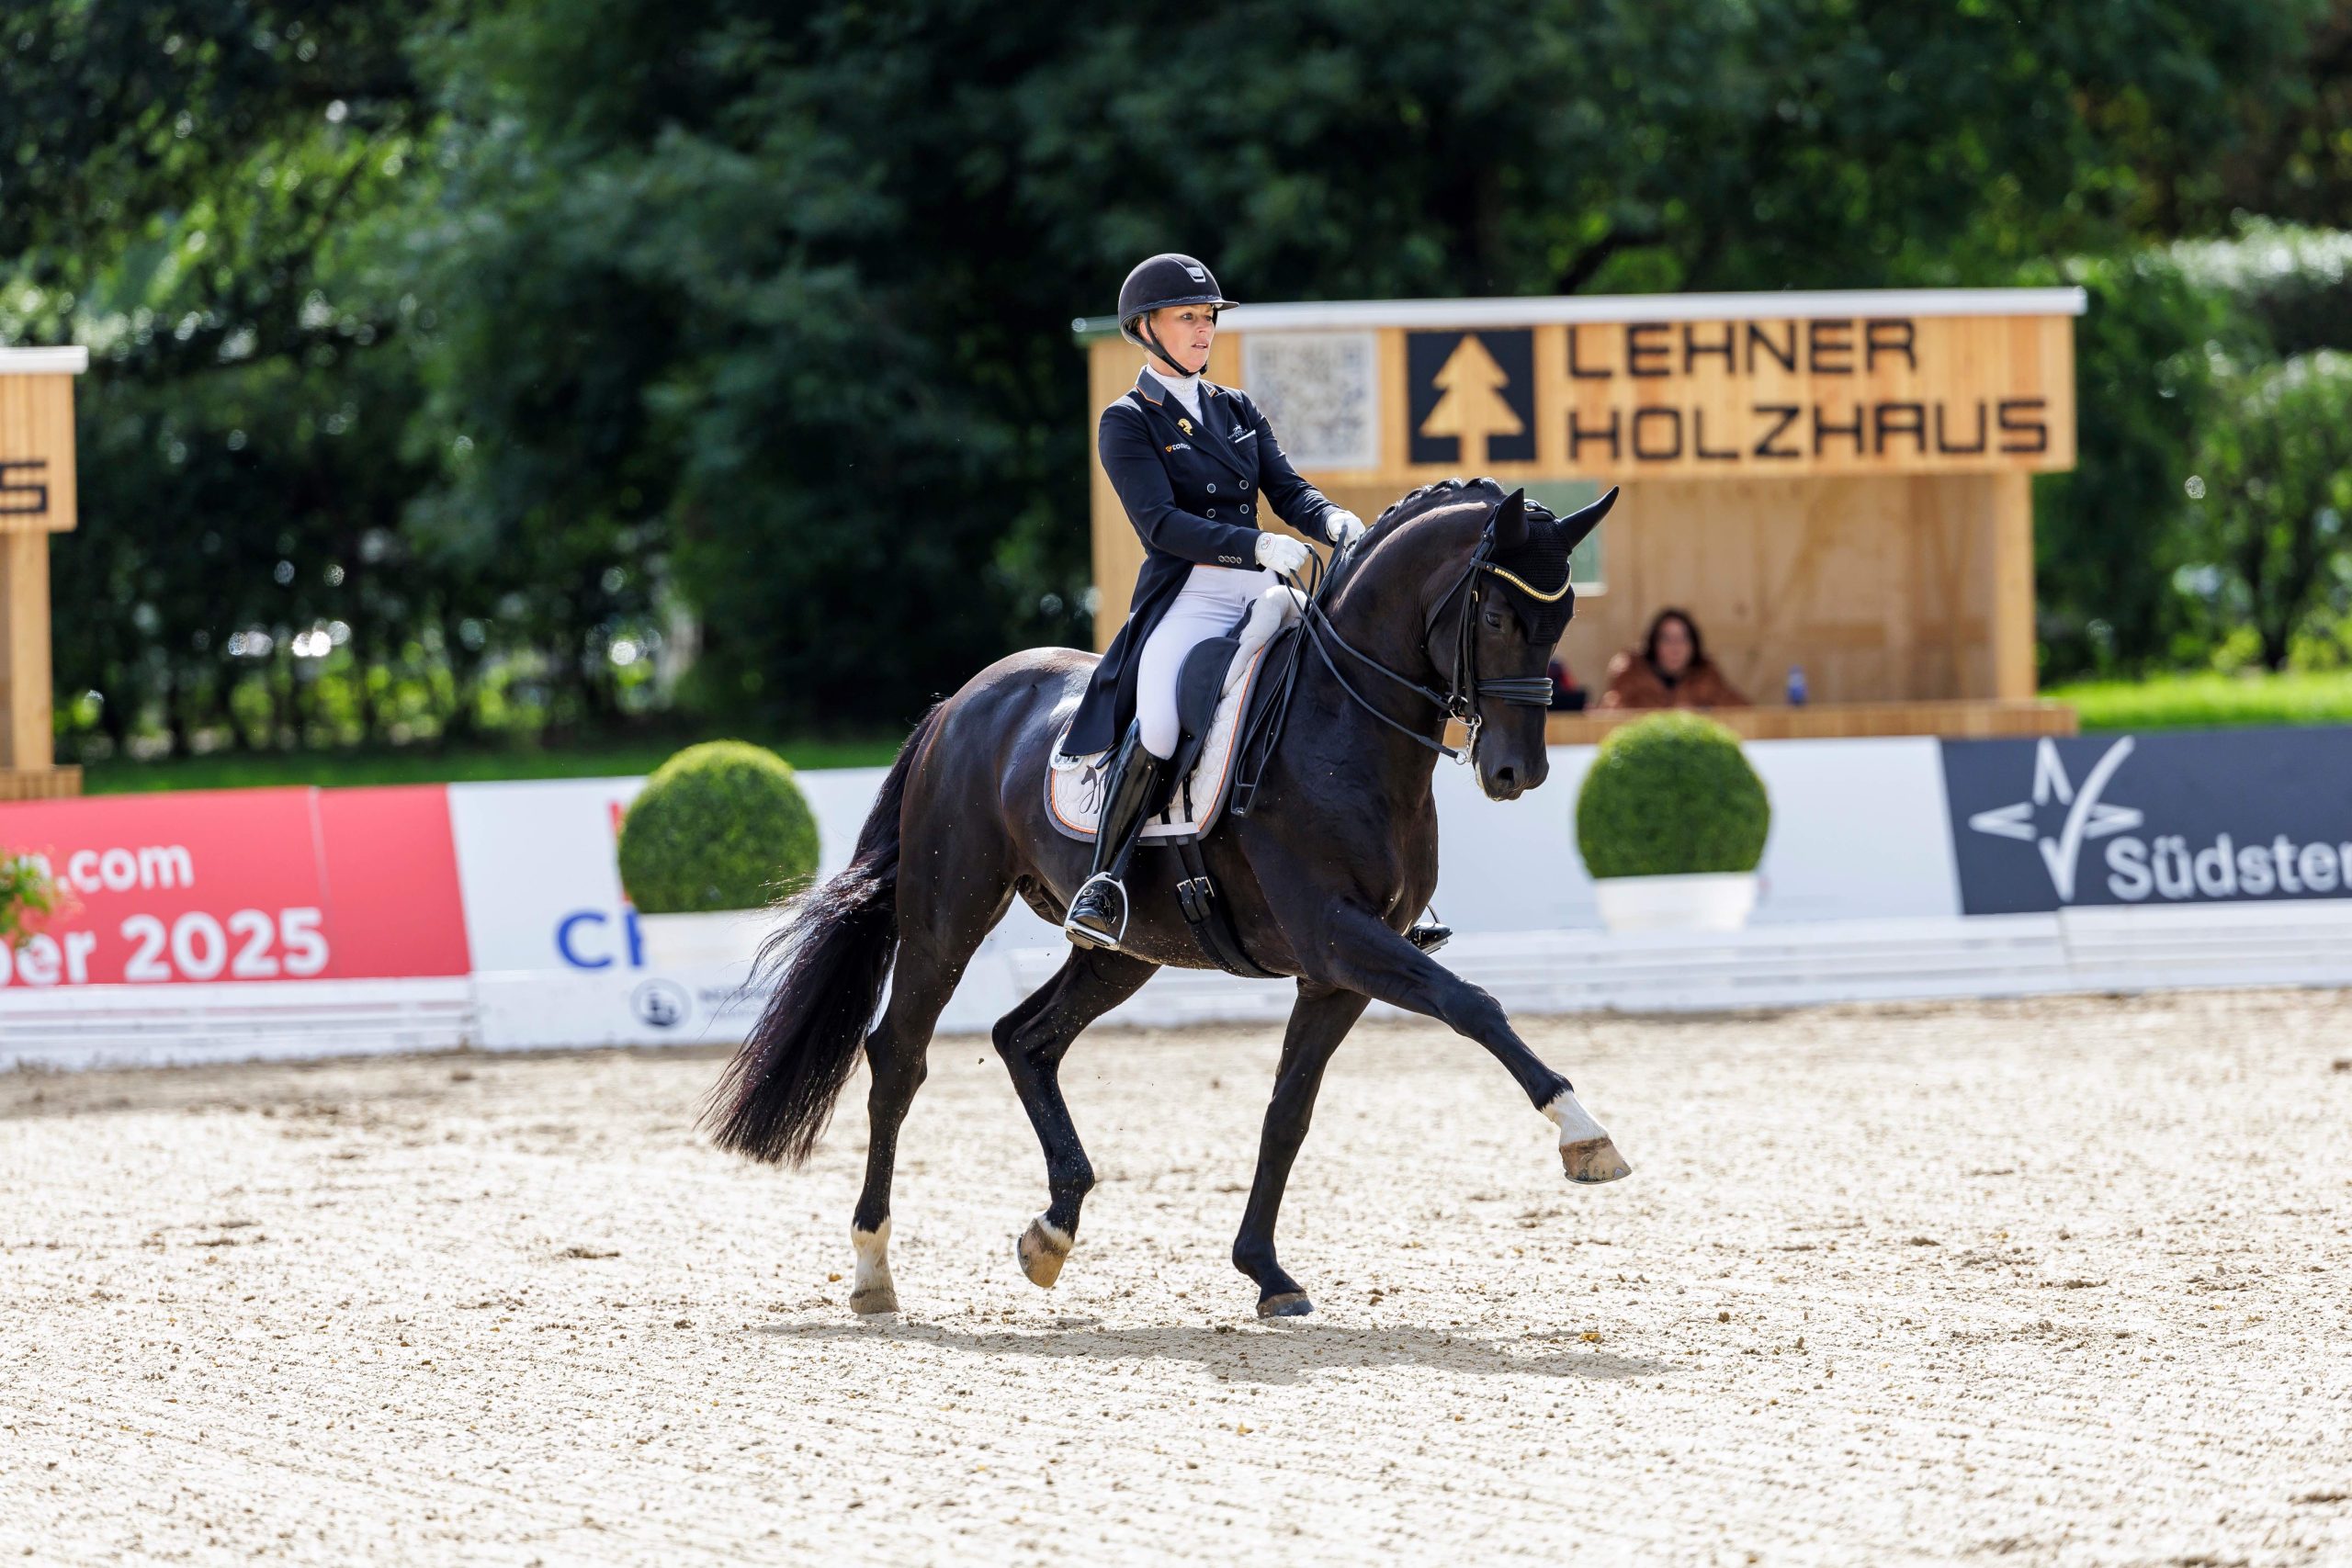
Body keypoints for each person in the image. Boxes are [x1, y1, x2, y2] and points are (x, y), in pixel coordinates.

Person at [1060, 252, 1363, 951]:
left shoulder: (1235, 408)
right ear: (1146, 327)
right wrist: (1254, 546)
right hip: (1190, 596)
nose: (1203, 331)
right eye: (1188, 318)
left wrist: (1330, 518)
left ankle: (1371, 872)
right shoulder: (1128, 419)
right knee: (1162, 724)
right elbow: (1160, 524)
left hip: (1264, 590)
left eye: (1208, 319)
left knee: (1338, 685)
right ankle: (1103, 883)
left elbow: (1286, 491)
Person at [1599, 607, 1749, 710]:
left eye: (1683, 639)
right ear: (1654, 644)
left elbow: (1741, 712)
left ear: (1693, 646)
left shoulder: (1707, 676)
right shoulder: (1630, 675)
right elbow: (1608, 715)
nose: (1675, 648)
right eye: (1667, 639)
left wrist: (1702, 715)